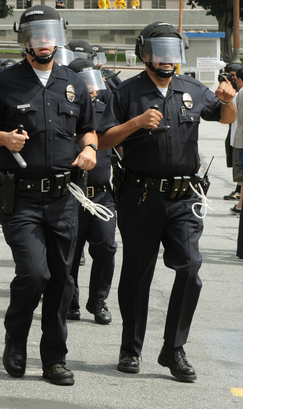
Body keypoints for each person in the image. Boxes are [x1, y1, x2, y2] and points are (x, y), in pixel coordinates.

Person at [97, 21, 236, 382]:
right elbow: (104, 139)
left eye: (173, 52)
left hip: (184, 198)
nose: (167, 59)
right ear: (145, 54)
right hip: (141, 196)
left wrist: (228, 99)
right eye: (160, 52)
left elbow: (223, 117)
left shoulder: (191, 88)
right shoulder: (125, 93)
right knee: (137, 274)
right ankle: (131, 347)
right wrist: (137, 123)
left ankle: (173, 348)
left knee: (190, 268)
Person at [0, 5, 97, 386]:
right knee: (33, 273)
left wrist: (90, 149)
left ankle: (54, 359)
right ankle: (15, 339)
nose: (44, 41)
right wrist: (4, 138)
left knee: (62, 280)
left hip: (64, 199)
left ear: (58, 36)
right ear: (25, 40)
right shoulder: (6, 82)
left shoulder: (72, 82)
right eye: (36, 34)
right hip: (22, 198)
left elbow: (88, 129)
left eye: (49, 33)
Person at [64, 59, 117, 325]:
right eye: (84, 82)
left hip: (101, 194)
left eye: (93, 81)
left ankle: (98, 299)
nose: (91, 88)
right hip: (70, 194)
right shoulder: (63, 110)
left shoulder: (106, 111)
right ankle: (70, 300)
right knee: (69, 252)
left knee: (106, 247)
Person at [230, 68, 243, 217]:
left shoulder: (240, 94)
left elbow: (229, 117)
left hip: (240, 140)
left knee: (241, 173)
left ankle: (240, 204)